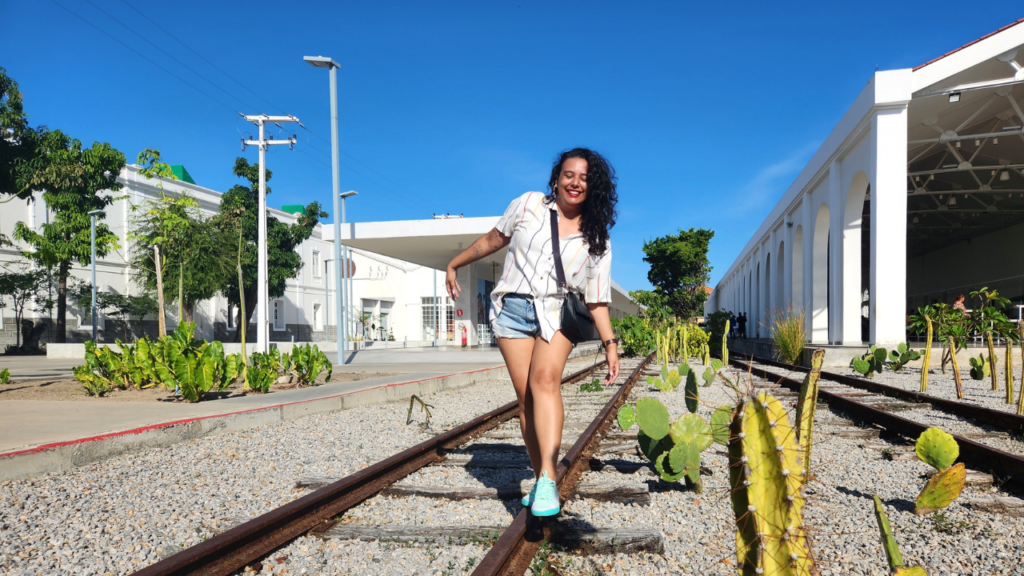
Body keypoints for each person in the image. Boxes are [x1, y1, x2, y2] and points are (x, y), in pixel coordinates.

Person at [445, 148, 620, 518]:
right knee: (526, 399)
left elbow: (596, 299)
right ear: (556, 179)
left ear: (594, 187)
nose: (575, 183)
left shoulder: (598, 239)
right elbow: (494, 239)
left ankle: (547, 479)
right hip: (511, 310)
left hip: (557, 313)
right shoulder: (528, 205)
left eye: (584, 178)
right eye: (569, 175)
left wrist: (610, 344)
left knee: (545, 380)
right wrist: (455, 263)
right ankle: (543, 478)